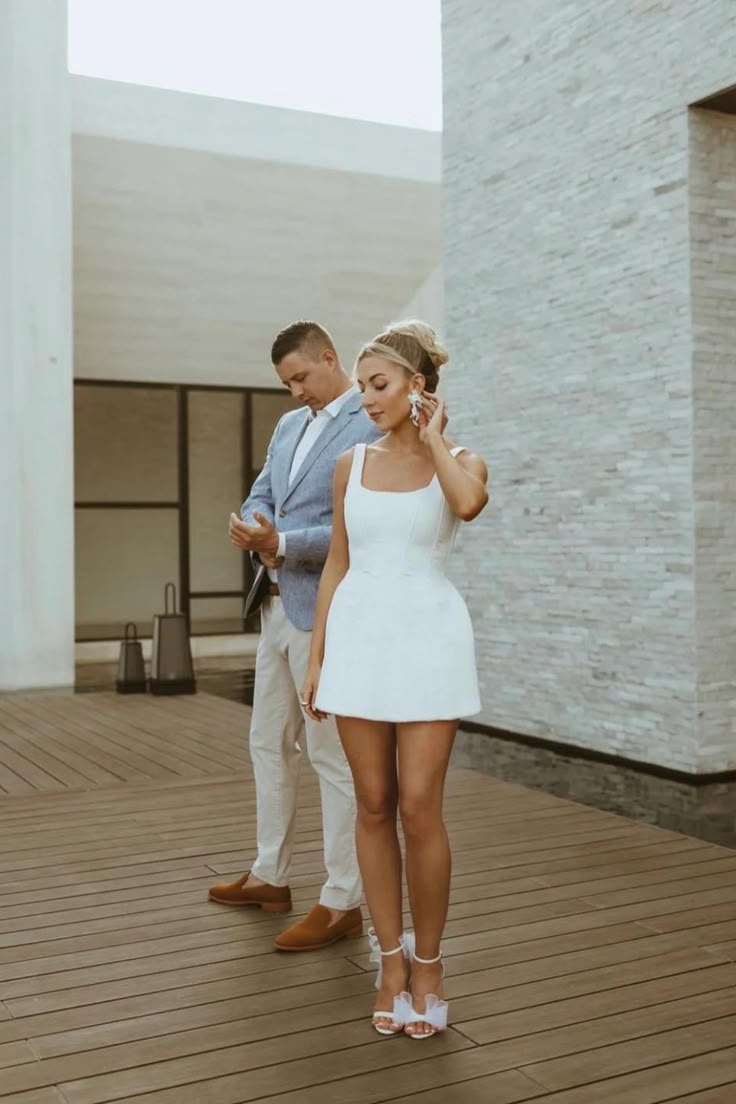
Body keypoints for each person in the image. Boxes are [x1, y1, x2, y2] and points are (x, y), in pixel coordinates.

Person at [301, 320, 488, 1036]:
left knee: (418, 806)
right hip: (357, 641)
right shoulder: (350, 464)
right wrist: (318, 657)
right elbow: (339, 564)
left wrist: (434, 436)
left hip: (431, 640)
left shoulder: (465, 460)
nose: (366, 398)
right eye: (361, 387)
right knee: (372, 805)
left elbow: (466, 505)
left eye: (379, 384)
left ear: (418, 385)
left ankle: (431, 964)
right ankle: (389, 960)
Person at [208, 320, 380, 952]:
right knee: (266, 741)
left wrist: (280, 542)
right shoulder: (286, 427)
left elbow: (357, 525)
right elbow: (264, 493)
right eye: (285, 383)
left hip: (327, 612)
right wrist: (253, 525)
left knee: (330, 754)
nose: (294, 393)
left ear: (329, 358)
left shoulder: (369, 423)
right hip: (274, 607)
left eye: (300, 378)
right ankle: (269, 874)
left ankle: (342, 900)